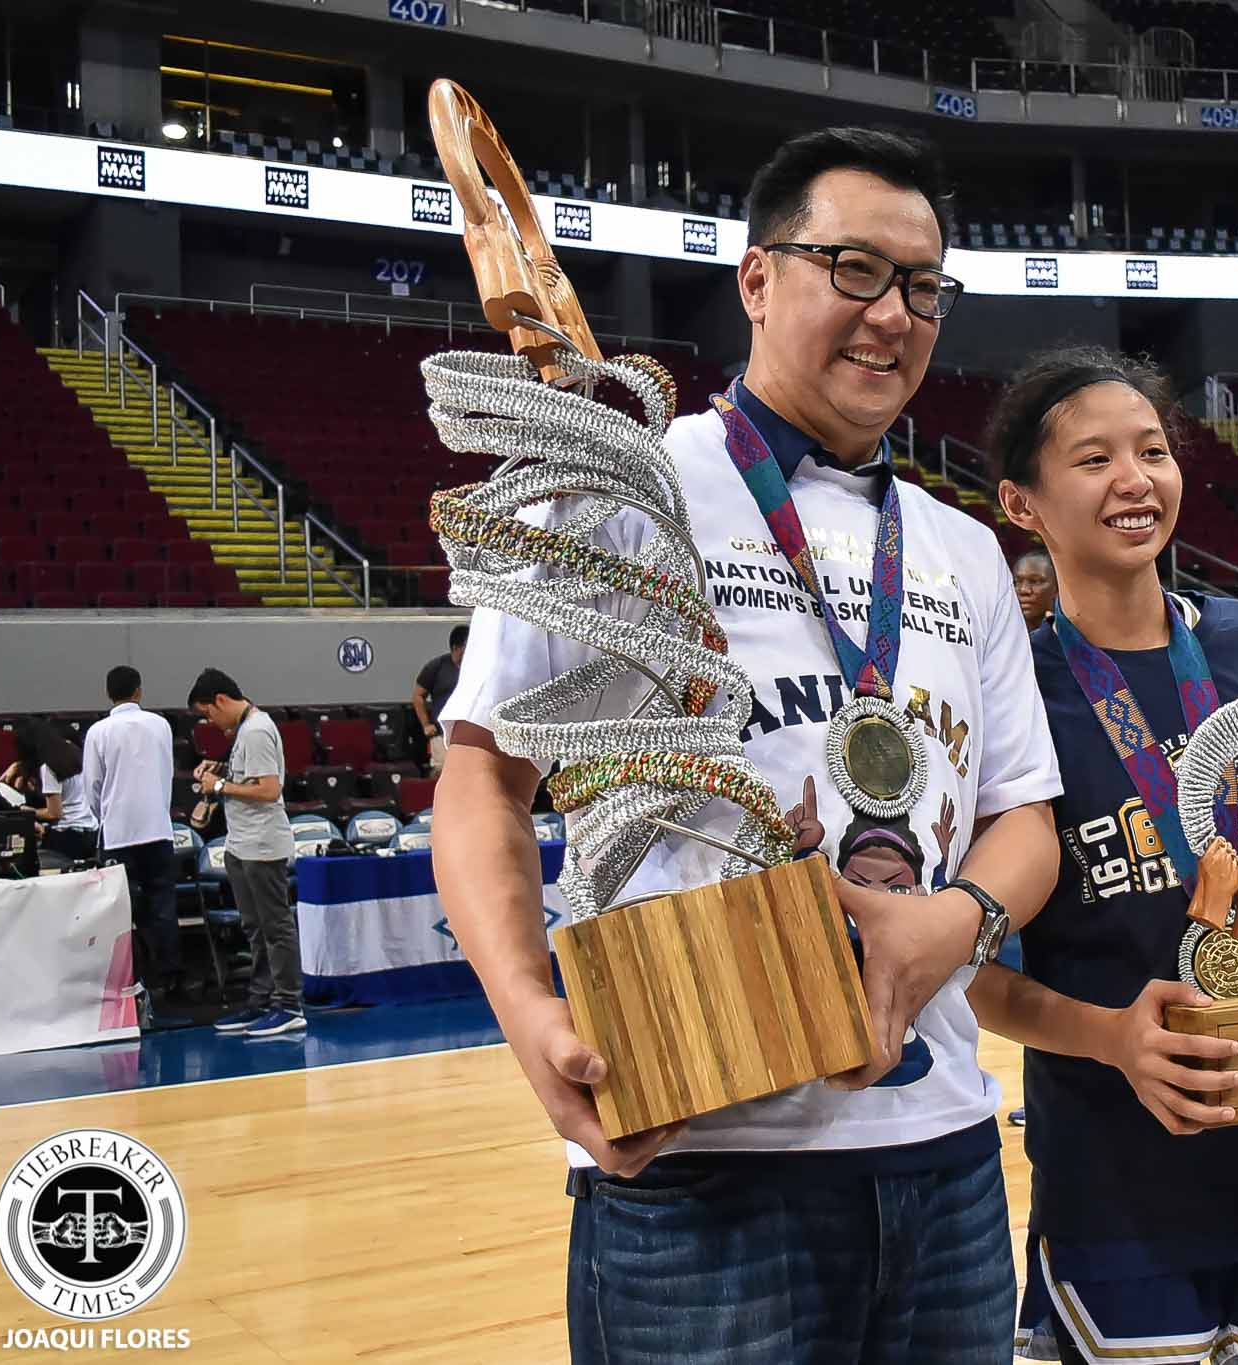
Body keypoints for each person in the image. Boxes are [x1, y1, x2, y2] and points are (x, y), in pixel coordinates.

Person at [432, 126, 1063, 1365]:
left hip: (942, 1155)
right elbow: (480, 781)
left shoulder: (963, 546)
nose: (895, 315)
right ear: (757, 278)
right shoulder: (617, 483)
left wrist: (957, 923)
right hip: (697, 1152)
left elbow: (1023, 817)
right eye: (856, 269)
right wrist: (523, 1009)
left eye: (925, 286)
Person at [979, 346, 1238, 1364]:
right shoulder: (1009, 689)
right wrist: (1112, 1041)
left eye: (1152, 450)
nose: (1134, 479)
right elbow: (977, 977)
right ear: (1021, 503)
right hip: (1117, 1182)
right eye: (1092, 459)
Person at [189, 669, 304, 1039]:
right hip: (242, 843)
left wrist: (219, 785)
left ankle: (288, 1004)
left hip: (262, 845)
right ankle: (261, 999)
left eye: (208, 713)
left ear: (220, 700)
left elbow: (269, 790)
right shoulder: (244, 731)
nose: (210, 721)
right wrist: (221, 769)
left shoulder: (255, 731)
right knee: (256, 928)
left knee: (275, 927)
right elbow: (250, 777)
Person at [82, 666, 184, 1023]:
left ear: (109, 694)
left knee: (122, 911)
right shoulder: (160, 725)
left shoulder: (98, 731)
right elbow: (166, 772)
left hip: (119, 833)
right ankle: (169, 980)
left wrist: (104, 816)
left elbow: (92, 786)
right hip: (157, 827)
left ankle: (132, 980)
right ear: (139, 691)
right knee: (162, 905)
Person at [4, 719, 99, 863]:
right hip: (90, 831)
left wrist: (25, 810)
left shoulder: (48, 768)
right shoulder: (73, 752)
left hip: (67, 837)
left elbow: (54, 813)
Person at [414, 624, 468, 775]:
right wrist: (426, 725)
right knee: (443, 773)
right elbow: (418, 696)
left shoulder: (475, 668)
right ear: (457, 648)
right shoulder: (436, 666)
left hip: (467, 733)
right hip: (441, 733)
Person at [1011, 547, 1057, 633]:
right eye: (1017, 582)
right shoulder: (999, 637)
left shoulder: (1071, 640)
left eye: (1036, 581)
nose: (1024, 590)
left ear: (1057, 588)